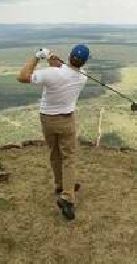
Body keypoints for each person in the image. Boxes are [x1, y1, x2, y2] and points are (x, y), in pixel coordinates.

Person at [17, 44, 90, 220]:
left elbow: (22, 77)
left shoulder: (52, 73)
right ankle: (67, 195)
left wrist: (38, 56)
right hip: (66, 121)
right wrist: (54, 62)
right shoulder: (83, 77)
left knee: (55, 153)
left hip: (48, 120)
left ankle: (62, 188)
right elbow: (64, 73)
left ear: (70, 55)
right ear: (84, 62)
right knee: (69, 158)